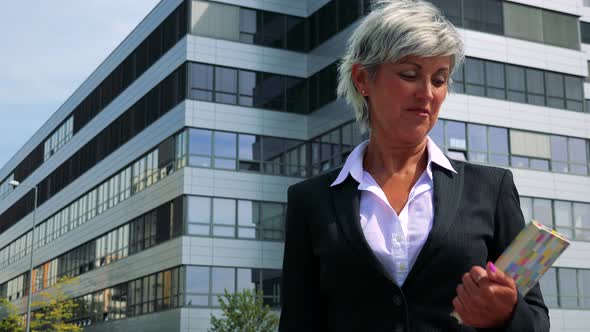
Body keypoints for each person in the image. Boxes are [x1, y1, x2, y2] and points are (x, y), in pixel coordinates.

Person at [278, 1, 550, 331]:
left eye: (440, 79)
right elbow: (298, 323)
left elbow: (536, 321)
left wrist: (507, 315)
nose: (427, 93)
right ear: (363, 79)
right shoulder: (310, 200)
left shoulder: (491, 190)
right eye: (410, 75)